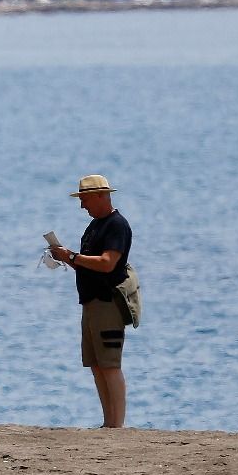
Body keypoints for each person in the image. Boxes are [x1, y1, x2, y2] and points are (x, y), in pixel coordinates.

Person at [48, 174, 133, 428]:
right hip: (90, 303)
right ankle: (108, 423)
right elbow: (88, 265)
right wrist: (66, 258)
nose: (82, 206)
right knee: (96, 364)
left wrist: (73, 256)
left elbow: (107, 263)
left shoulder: (116, 225)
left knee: (110, 364)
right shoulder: (94, 226)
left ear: (100, 196)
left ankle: (117, 425)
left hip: (107, 303)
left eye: (84, 200)